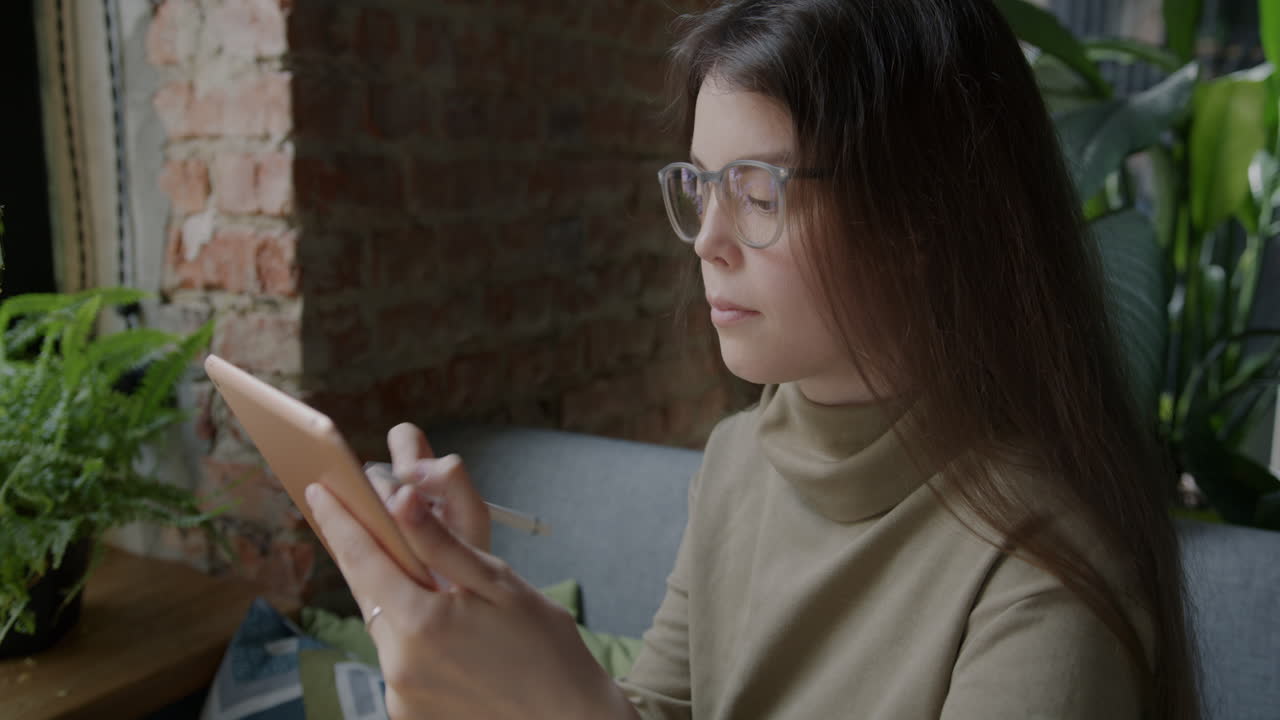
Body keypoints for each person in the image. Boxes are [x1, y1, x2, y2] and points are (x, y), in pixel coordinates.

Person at [304, 0, 1201, 717]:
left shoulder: (1048, 573)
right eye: (699, 186)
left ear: (925, 219)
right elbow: (662, 708)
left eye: (759, 191)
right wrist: (471, 613)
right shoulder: (742, 458)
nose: (708, 241)